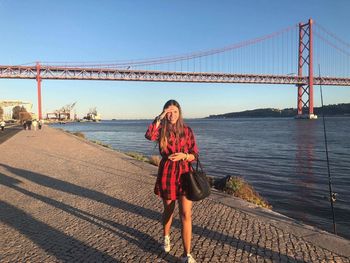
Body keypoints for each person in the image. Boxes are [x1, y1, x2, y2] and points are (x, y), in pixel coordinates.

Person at [145, 100, 199, 263]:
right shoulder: (160, 130)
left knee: (185, 214)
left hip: (185, 174)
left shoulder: (187, 130)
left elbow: (194, 153)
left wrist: (185, 156)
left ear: (180, 113)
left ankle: (186, 254)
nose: (172, 115)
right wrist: (160, 117)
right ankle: (166, 236)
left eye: (175, 111)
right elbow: (149, 135)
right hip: (167, 173)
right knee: (168, 210)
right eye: (169, 112)